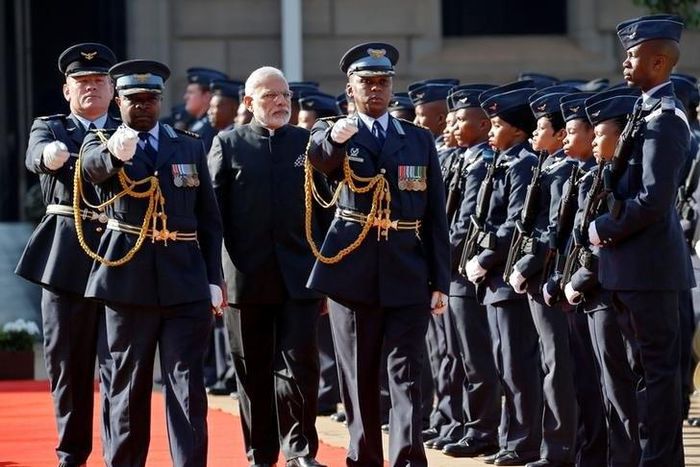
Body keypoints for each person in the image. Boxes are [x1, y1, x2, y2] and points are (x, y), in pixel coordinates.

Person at [305, 42, 450, 467]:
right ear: (350, 88)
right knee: (360, 374)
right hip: (352, 270)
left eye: (383, 82)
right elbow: (316, 163)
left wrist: (440, 280)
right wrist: (333, 139)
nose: (375, 90)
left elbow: (435, 217)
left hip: (407, 266)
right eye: (366, 82)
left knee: (407, 373)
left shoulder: (418, 139)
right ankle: (364, 456)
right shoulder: (333, 131)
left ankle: (407, 456)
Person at [80, 59, 223, 467]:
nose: (142, 107)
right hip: (126, 282)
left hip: (183, 281)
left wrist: (213, 278)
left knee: (187, 386)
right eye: (133, 99)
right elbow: (90, 172)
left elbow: (209, 220)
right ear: (118, 100)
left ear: (160, 101)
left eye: (150, 99)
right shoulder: (101, 141)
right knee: (127, 385)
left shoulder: (188, 144)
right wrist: (113, 155)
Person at [208, 66, 327, 467]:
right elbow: (212, 217)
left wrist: (326, 274)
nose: (280, 103)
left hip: (300, 278)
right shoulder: (228, 144)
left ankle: (300, 451)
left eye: (285, 96)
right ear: (248, 102)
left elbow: (327, 213)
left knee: (301, 367)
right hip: (245, 277)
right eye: (270, 96)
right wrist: (213, 277)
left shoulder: (307, 143)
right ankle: (261, 452)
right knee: (252, 370)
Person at [588, 14, 694, 466]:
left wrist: (602, 229)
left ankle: (661, 460)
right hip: (629, 267)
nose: (625, 62)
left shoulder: (666, 119)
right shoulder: (645, 110)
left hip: (649, 268)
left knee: (657, 374)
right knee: (640, 373)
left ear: (658, 61)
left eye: (633, 55)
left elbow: (654, 199)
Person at [14, 42, 118, 467]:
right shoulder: (51, 126)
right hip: (66, 259)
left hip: (118, 256)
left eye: (98, 81)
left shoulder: (129, 129)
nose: (90, 88)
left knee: (120, 365)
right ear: (66, 90)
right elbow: (34, 154)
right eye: (82, 82)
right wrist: (46, 155)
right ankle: (72, 452)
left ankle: (120, 452)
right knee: (66, 363)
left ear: (113, 89)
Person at [560, 87, 642, 467]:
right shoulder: (599, 174)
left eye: (599, 134)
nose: (592, 141)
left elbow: (609, 236)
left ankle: (625, 457)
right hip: (593, 293)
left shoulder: (623, 179)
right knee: (600, 384)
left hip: (609, 291)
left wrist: (581, 278)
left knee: (620, 385)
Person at [463, 80, 543, 466]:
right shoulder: (504, 161)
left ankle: (524, 441)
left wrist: (487, 255)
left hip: (507, 278)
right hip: (493, 282)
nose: (490, 131)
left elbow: (515, 224)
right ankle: (511, 438)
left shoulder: (523, 165)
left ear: (518, 130)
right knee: (504, 365)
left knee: (518, 366)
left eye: (496, 125)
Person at [506, 85, 579, 467]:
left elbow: (554, 232)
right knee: (547, 365)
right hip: (539, 277)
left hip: (551, 278)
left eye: (541, 128)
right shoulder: (546, 166)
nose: (534, 134)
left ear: (562, 135)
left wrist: (527, 267)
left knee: (556, 366)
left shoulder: (563, 170)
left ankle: (559, 449)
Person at [440, 84, 502, 459]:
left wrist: (439, 259)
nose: (455, 125)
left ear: (483, 125)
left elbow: (465, 223)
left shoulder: (480, 162)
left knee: (477, 358)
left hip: (462, 272)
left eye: (462, 119)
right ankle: (466, 424)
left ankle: (482, 429)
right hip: (451, 272)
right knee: (458, 356)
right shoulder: (462, 158)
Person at [185, 67, 229, 150]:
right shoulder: (192, 123)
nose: (185, 97)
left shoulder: (211, 127)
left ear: (206, 96)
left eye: (190, 92)